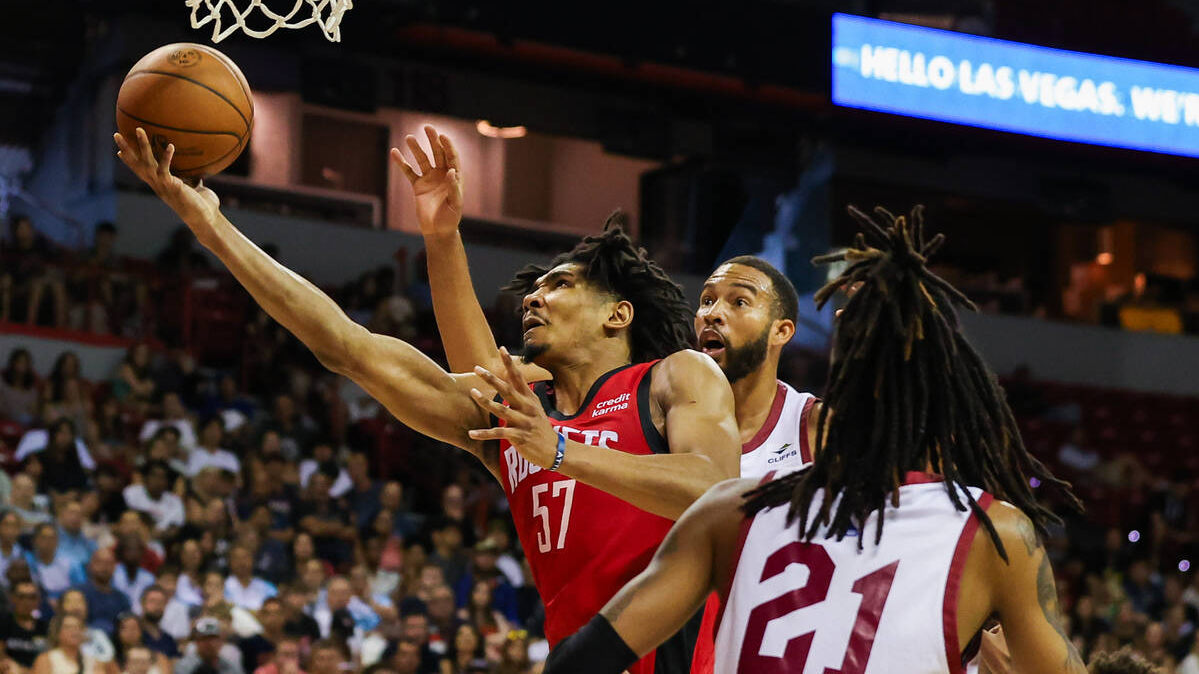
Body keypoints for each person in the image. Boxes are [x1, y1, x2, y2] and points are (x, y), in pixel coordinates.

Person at [114, 125, 739, 674]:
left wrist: (561, 451)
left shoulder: (674, 377)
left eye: (561, 285)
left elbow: (714, 489)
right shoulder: (517, 422)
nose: (534, 298)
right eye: (535, 289)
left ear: (618, 315)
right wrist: (214, 229)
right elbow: (345, 344)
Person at [543, 205, 1087, 674]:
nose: (712, 313)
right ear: (957, 393)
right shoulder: (995, 535)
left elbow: (581, 660)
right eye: (709, 299)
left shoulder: (730, 506)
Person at [401, 128, 819, 672]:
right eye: (708, 299)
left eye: (739, 302)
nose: (713, 312)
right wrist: (443, 241)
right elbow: (485, 375)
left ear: (784, 330)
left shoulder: (811, 423)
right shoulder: (668, 388)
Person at [30, 614, 116, 674]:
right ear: (57, 633)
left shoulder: (94, 661)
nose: (74, 631)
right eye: (68, 627)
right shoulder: (46, 659)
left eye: (78, 627)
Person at [79, 548, 131, 639]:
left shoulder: (122, 598)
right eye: (100, 562)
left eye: (109, 563)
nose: (104, 567)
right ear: (91, 565)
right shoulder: (79, 594)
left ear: (115, 567)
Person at [122, 464, 185, 539]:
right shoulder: (132, 492)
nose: (158, 480)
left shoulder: (175, 501)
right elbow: (129, 516)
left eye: (162, 477)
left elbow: (176, 528)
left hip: (161, 542)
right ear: (145, 478)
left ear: (167, 482)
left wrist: (158, 534)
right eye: (154, 475)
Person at [25, 525, 85, 601]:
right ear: (34, 540)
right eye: (43, 538)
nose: (48, 542)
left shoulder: (71, 563)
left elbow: (80, 590)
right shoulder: (26, 561)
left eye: (52, 538)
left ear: (57, 541)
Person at [0, 580, 49, 672]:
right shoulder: (3, 622)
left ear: (38, 600)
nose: (27, 602)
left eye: (32, 597)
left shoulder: (45, 627)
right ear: (12, 598)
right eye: (21, 597)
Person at [174, 618, 241, 674]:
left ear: (221, 641)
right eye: (204, 639)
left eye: (213, 638)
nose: (209, 643)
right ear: (197, 641)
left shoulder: (228, 666)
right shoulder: (185, 666)